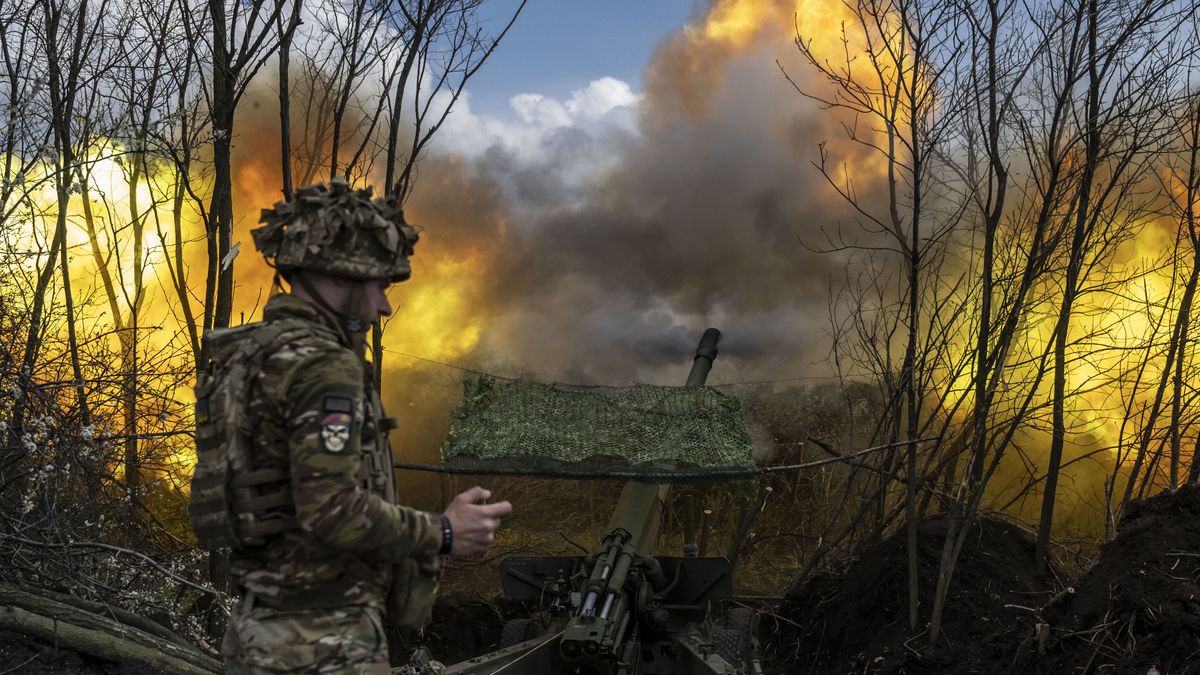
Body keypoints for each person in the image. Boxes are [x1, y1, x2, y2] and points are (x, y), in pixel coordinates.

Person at [202, 178, 512, 673]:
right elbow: (330, 510)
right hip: (325, 641)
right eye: (380, 286)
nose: (384, 306)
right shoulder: (325, 367)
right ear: (343, 276)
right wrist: (445, 531)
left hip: (259, 630)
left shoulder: (251, 355)